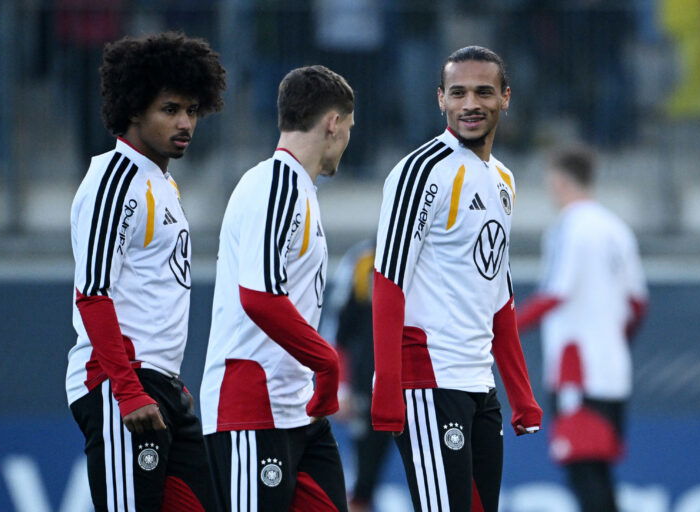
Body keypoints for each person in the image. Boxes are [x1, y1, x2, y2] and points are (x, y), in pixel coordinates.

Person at [370, 46, 543, 512]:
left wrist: (520, 393)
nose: (471, 104)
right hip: (427, 379)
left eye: (484, 92)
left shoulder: (502, 179)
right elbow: (387, 281)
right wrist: (387, 385)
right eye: (459, 92)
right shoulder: (420, 171)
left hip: (478, 383)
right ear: (440, 99)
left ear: (505, 98)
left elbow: (499, 296)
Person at [66, 32, 226, 511]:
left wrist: (170, 382)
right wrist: (129, 391)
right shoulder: (115, 182)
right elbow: (93, 294)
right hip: (119, 387)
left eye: (193, 111)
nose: (185, 123)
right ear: (134, 108)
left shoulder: (160, 182)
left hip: (160, 386)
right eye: (171, 109)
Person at [200, 65, 353, 512]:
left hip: (295, 405)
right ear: (332, 123)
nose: (346, 139)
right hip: (251, 405)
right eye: (348, 127)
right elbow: (259, 296)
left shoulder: (297, 189)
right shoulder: (277, 183)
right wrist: (326, 363)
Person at [516, 147, 648, 512]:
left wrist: (502, 331)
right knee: (598, 471)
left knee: (583, 471)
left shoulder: (570, 228)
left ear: (558, 181)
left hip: (579, 369)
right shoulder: (616, 228)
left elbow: (555, 293)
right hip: (612, 371)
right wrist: (614, 344)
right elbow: (637, 304)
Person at [322, 239, 391, 512]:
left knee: (437, 474)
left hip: (421, 383)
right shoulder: (365, 258)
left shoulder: (438, 247)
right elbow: (339, 328)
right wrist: (341, 386)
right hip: (370, 384)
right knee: (363, 480)